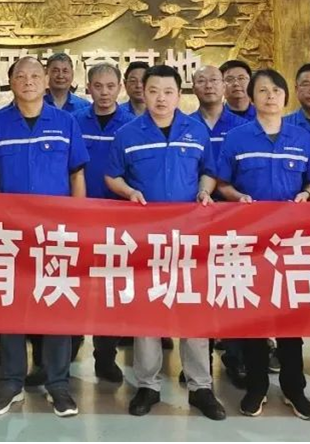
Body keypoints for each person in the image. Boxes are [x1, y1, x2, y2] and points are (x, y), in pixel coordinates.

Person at [104, 65, 226, 421]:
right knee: (147, 309)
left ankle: (201, 386)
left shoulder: (196, 130)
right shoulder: (127, 133)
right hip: (146, 235)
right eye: (154, 91)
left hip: (189, 234)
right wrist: (129, 192)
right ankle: (147, 385)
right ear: (143, 92)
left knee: (193, 308)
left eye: (168, 91)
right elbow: (111, 175)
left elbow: (209, 169)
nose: (161, 98)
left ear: (179, 94)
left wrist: (204, 191)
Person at [0, 56, 89, 417]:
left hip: (56, 233)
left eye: (35, 75)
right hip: (9, 233)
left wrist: (79, 223)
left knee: (56, 306)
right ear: (10, 82)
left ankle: (58, 385)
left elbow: (77, 175)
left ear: (46, 81)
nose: (28, 81)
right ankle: (11, 383)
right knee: (11, 307)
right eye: (21, 76)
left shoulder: (65, 122)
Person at [213, 69, 310, 420]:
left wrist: (307, 195)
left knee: (290, 317)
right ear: (252, 97)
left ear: (285, 96)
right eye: (262, 91)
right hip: (250, 240)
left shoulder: (301, 137)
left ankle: (294, 388)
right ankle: (257, 386)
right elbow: (222, 183)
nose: (270, 96)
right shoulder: (237, 137)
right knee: (254, 316)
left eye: (276, 90)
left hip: (291, 242)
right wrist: (238, 197)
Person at [71, 63, 135, 383]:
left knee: (109, 290)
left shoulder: (132, 125)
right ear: (88, 88)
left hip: (117, 219)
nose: (105, 92)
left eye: (111, 86)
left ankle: (105, 357)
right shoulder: (73, 121)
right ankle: (66, 349)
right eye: (98, 86)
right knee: (71, 285)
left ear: (120, 88)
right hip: (78, 217)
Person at [188, 64, 249, 386]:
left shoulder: (243, 127)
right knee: (199, 289)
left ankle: (236, 358)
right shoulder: (184, 125)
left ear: (224, 86)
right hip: (194, 218)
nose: (209, 85)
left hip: (233, 217)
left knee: (232, 287)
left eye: (214, 80)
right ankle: (200, 363)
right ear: (192, 87)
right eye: (201, 80)